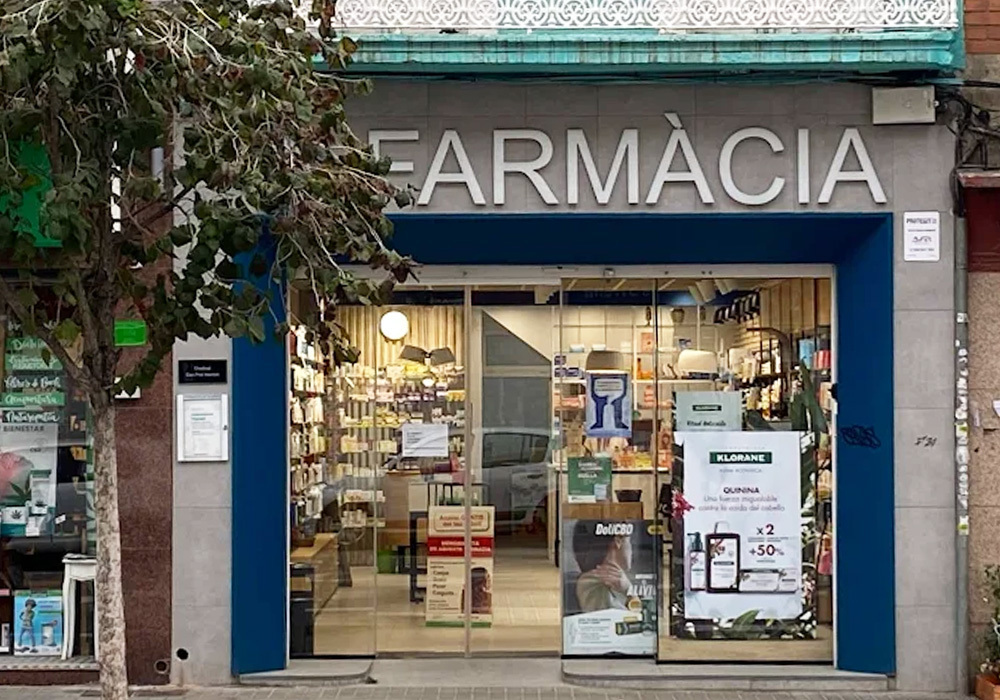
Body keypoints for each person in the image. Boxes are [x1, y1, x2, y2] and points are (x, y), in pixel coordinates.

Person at [572, 521, 634, 613]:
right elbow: (632, 622)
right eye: (629, 541)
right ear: (618, 541)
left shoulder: (613, 580)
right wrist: (630, 593)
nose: (631, 548)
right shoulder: (596, 583)